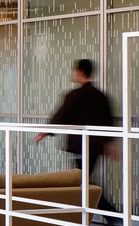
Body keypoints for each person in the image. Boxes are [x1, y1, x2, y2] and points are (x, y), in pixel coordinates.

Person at [34, 59, 118, 215]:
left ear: (80, 72)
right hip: (96, 146)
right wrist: (107, 143)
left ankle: (111, 214)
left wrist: (44, 132)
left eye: (75, 70)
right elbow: (108, 121)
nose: (73, 73)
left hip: (81, 145)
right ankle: (107, 214)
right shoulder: (100, 96)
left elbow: (62, 115)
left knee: (82, 181)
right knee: (83, 180)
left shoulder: (76, 95)